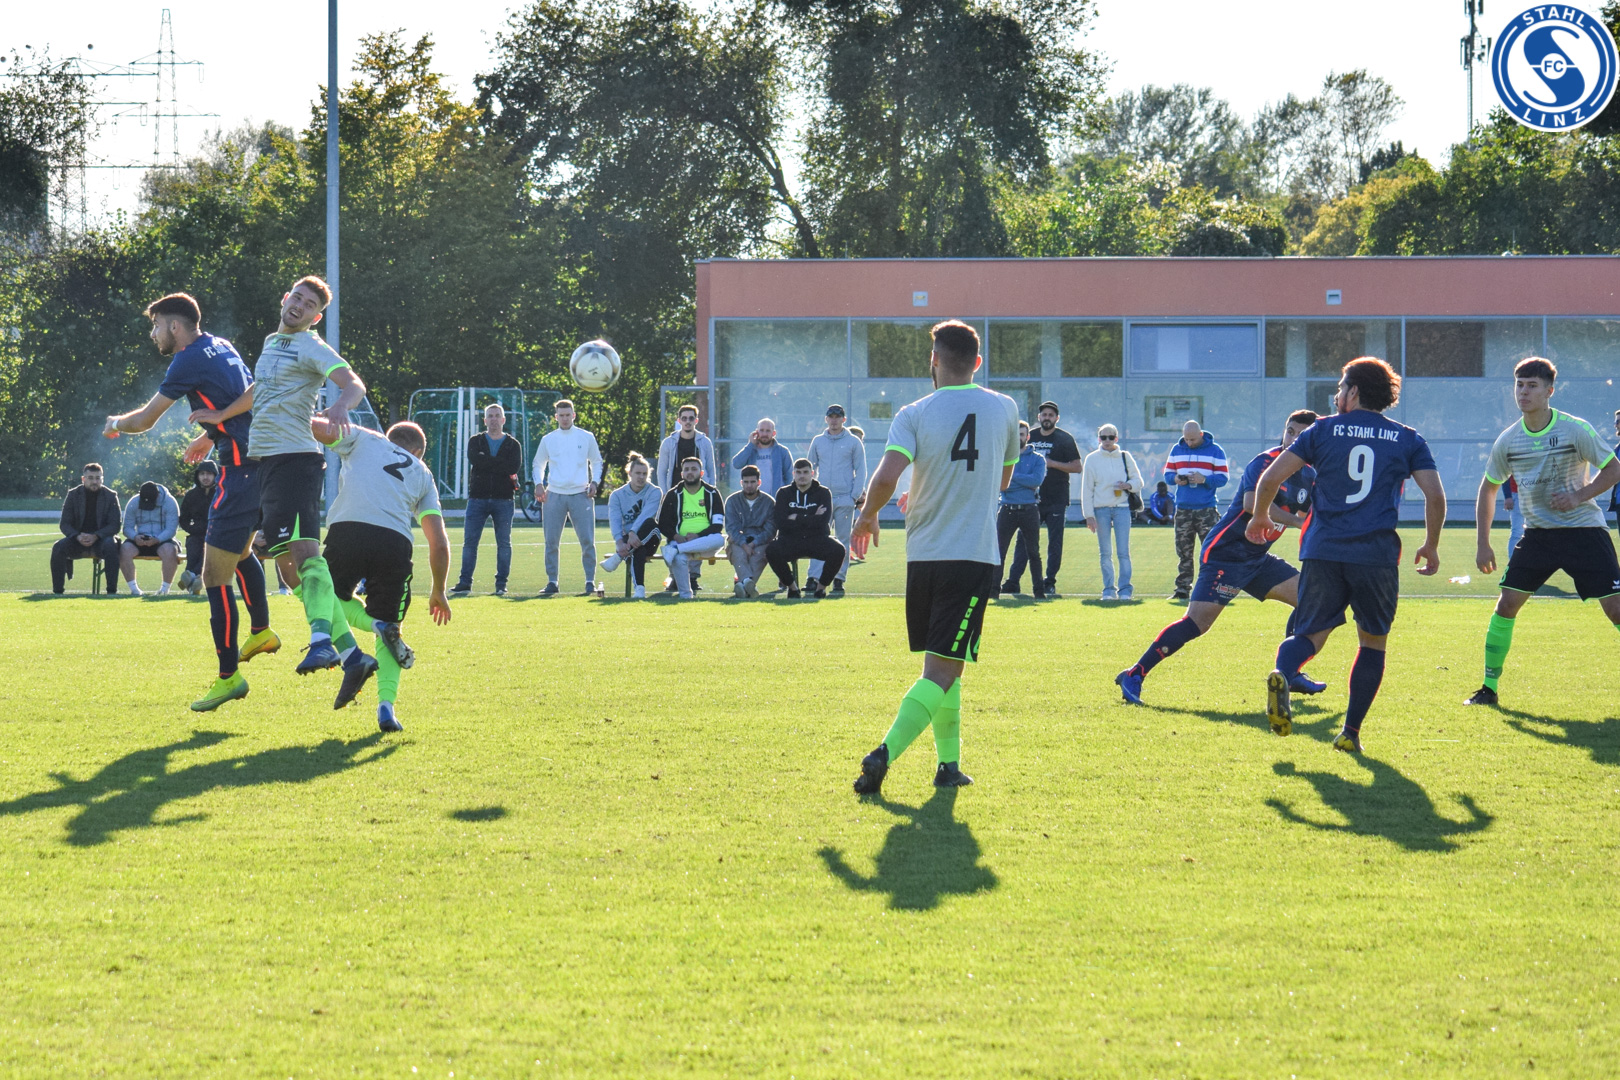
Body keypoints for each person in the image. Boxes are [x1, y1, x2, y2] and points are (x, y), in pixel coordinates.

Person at [846, 320, 1018, 794]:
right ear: (977, 362)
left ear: (934, 360)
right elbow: (1002, 480)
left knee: (943, 665)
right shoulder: (1005, 407)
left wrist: (867, 516)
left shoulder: (913, 412)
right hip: (971, 556)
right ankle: (883, 753)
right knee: (944, 668)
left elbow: (886, 477)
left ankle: (948, 765)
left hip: (923, 557)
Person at [1247, 357, 1446, 754]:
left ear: (1353, 392)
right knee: (1372, 643)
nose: (1337, 395)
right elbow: (1435, 496)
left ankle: (1283, 672)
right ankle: (1350, 733)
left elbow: (1270, 478)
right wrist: (1431, 543)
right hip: (1375, 555)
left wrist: (1260, 516)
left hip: (1323, 550)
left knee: (1308, 633)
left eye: (1340, 388)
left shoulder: (1322, 430)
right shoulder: (1408, 438)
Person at [103, 292, 280, 712]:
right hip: (263, 465)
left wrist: (115, 423)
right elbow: (245, 398)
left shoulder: (186, 359)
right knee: (240, 554)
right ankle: (261, 630)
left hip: (239, 473)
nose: (153, 334)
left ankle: (229, 677)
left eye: (156, 326)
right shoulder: (221, 345)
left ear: (174, 326)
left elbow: (145, 420)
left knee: (213, 576)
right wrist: (211, 433)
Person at [186, 275, 369, 680]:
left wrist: (341, 406)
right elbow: (259, 390)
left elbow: (353, 384)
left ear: (315, 317)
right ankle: (353, 655)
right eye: (297, 298)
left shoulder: (311, 345)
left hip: (296, 462)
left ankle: (323, 642)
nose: (299, 306)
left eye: (309, 305)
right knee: (288, 566)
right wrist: (219, 418)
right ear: (285, 299)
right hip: (269, 465)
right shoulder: (272, 342)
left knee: (305, 557)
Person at [1116, 410, 1321, 706]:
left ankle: (1290, 673)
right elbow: (1252, 504)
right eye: (1290, 431)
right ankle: (1135, 673)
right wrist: (1301, 523)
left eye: (1301, 435)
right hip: (1227, 553)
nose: (1293, 439)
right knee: (1196, 624)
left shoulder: (1310, 475)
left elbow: (1315, 512)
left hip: (1257, 558)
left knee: (1310, 600)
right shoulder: (1266, 462)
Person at [1464, 358, 1620, 707]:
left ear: (1549, 391)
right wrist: (1483, 544)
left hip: (1584, 532)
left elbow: (1614, 469)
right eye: (1519, 385)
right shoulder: (1509, 440)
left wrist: (1578, 496)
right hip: (1537, 535)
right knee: (1506, 605)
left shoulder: (1574, 429)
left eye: (1532, 385)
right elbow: (1489, 488)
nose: (1524, 392)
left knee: (1616, 610)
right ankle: (1488, 688)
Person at [312, 417, 450, 732]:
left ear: (390, 439)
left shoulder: (367, 438)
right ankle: (386, 709)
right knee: (392, 629)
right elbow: (439, 543)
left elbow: (321, 428)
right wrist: (439, 590)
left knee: (321, 597)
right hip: (394, 543)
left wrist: (288, 415)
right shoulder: (423, 473)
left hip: (348, 531)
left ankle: (375, 626)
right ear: (418, 452)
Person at [1007, 401, 1082, 596]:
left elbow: (1077, 467)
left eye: (1051, 415)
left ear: (1057, 418)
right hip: (1030, 499)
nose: (1047, 418)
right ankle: (1013, 580)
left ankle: (1049, 581)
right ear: (1038, 417)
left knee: (1054, 543)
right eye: (1044, 415)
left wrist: (1052, 463)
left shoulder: (1064, 439)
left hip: (1056, 498)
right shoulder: (1030, 436)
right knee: (1024, 542)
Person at [532, 398, 604, 596]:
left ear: (574, 415)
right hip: (554, 494)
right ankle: (552, 581)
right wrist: (539, 483)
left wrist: (595, 482)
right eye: (561, 415)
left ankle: (589, 581)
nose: (565, 418)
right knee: (551, 541)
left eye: (568, 415)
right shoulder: (548, 439)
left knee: (587, 540)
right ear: (556, 417)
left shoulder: (586, 437)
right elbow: (538, 463)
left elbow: (596, 461)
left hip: (581, 494)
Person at [453, 403, 522, 597]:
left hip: (504, 500)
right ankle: (465, 582)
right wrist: (498, 464)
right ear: (484, 420)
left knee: (504, 543)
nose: (493, 419)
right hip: (477, 499)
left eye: (497, 416)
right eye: (490, 416)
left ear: (503, 420)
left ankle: (501, 584)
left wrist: (487, 462)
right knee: (470, 542)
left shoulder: (513, 445)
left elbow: (512, 467)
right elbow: (476, 460)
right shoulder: (476, 441)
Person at [807, 404, 868, 594]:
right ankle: (813, 577)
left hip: (844, 498)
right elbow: (810, 468)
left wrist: (854, 496)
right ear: (826, 419)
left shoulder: (853, 442)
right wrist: (812, 494)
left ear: (844, 419)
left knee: (842, 540)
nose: (834, 421)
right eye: (831, 417)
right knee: (818, 538)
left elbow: (861, 470)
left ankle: (839, 578)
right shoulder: (818, 441)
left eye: (837, 417)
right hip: (822, 499)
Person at [1165, 420, 1228, 600]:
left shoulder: (1215, 451)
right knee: (1184, 552)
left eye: (1192, 439)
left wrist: (1204, 479)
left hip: (1206, 509)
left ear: (1201, 435)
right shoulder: (1177, 450)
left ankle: (1212, 588)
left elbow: (1223, 478)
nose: (1189, 443)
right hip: (1183, 509)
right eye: (1186, 439)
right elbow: (1168, 475)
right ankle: (1182, 589)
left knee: (1211, 551)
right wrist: (1176, 479)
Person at [1080, 424, 1145, 600]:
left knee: (1123, 552)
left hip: (1122, 508)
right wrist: (1089, 516)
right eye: (1103, 437)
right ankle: (1108, 589)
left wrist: (1128, 485)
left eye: (1110, 437)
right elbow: (1087, 489)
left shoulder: (1125, 456)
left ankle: (1125, 590)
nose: (1107, 440)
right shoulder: (1092, 459)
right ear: (1099, 438)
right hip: (1101, 509)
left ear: (1116, 438)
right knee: (1105, 552)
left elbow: (1139, 481)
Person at [766, 458, 846, 599]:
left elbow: (823, 521)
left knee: (838, 550)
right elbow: (781, 522)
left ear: (812, 474)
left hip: (817, 539)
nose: (802, 476)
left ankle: (820, 588)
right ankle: (792, 588)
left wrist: (795, 517)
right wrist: (812, 516)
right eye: (798, 472)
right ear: (793, 474)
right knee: (771, 550)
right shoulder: (784, 493)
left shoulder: (823, 493)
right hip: (790, 539)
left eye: (805, 472)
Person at [656, 457, 726, 599]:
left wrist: (698, 536)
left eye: (694, 469)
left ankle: (676, 549)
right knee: (678, 559)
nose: (690, 472)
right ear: (682, 474)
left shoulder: (712, 493)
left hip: (704, 544)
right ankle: (686, 595)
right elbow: (663, 523)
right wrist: (676, 536)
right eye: (686, 469)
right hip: (680, 541)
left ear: (701, 473)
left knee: (720, 539)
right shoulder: (673, 494)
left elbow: (718, 525)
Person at [50, 464, 122, 595]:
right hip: (77, 540)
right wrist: (77, 536)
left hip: (102, 540)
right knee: (58, 547)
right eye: (90, 478)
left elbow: (115, 525)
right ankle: (58, 592)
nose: (94, 481)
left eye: (98, 478)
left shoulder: (111, 496)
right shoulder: (73, 495)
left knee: (111, 545)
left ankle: (111, 592)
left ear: (102, 479)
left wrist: (96, 535)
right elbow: (65, 524)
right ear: (83, 479)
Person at [602, 452, 664, 598]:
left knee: (650, 523)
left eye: (644, 473)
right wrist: (619, 541)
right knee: (638, 549)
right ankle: (640, 590)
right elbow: (615, 520)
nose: (641, 477)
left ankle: (618, 557)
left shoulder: (655, 491)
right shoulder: (617, 495)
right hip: (628, 542)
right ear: (629, 473)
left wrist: (632, 532)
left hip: (650, 537)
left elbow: (646, 515)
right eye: (637, 473)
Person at [997, 420, 1047, 599]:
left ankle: (1039, 592)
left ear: (1027, 436)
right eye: (1015, 434)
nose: (1018, 437)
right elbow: (1001, 485)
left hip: (1029, 510)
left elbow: (1036, 481)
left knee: (1033, 552)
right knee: (999, 552)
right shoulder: (1002, 457)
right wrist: (1023, 481)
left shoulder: (1038, 459)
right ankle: (993, 591)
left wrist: (1011, 477)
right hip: (1007, 509)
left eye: (1021, 434)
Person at [118, 480, 181, 595]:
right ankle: (134, 589)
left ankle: (164, 590)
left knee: (170, 550)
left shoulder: (170, 502)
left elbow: (171, 529)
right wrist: (135, 537)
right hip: (139, 539)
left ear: (158, 496)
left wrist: (158, 539)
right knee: (124, 549)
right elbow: (127, 528)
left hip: (163, 539)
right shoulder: (133, 502)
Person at [725, 464, 776, 597]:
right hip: (739, 540)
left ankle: (742, 585)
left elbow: (770, 530)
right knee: (738, 553)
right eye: (746, 482)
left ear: (759, 482)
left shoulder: (769, 502)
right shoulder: (732, 501)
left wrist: (753, 543)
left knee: (758, 556)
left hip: (761, 541)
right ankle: (748, 583)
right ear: (741, 483)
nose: (749, 485)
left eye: (753, 482)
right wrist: (744, 544)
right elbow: (732, 528)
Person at [177, 461, 217, 594]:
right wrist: (192, 529)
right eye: (202, 474)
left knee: (207, 555)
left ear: (215, 475)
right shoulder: (191, 495)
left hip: (216, 534)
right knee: (193, 550)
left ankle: (190, 577)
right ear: (197, 476)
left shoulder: (222, 493)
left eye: (209, 474)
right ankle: (194, 583)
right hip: (196, 534)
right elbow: (183, 519)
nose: (205, 477)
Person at [656, 403, 717, 490]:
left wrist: (712, 491)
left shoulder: (705, 442)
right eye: (684, 418)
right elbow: (661, 471)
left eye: (691, 418)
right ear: (679, 421)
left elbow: (711, 470)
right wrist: (664, 493)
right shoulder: (668, 443)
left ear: (696, 421)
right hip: (675, 491)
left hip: (700, 492)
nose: (688, 421)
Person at [730, 418, 794, 499]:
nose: (764, 434)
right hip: (754, 499)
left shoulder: (782, 452)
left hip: (776, 499)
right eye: (762, 430)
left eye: (768, 431)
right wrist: (750, 445)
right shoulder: (750, 450)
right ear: (756, 432)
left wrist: (786, 497)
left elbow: (789, 477)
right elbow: (736, 464)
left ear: (774, 433)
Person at [845, 426, 871, 563]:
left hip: (855, 493)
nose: (860, 442)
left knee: (867, 515)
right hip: (843, 494)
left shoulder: (859, 454)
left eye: (862, 440)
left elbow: (860, 474)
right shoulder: (844, 453)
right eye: (858, 439)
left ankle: (854, 548)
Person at [1504, 477, 1525, 554]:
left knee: (1538, 531)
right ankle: (1513, 560)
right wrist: (1507, 496)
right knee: (1517, 532)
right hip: (1517, 493)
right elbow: (1505, 475)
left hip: (1535, 493)